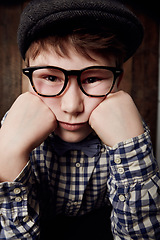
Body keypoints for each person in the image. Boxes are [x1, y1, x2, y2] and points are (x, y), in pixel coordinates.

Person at [0, 0, 160, 239]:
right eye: (51, 78)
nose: (72, 106)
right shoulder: (11, 132)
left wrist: (131, 150)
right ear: (29, 79)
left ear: (117, 81)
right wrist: (9, 157)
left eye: (93, 79)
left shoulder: (129, 132)